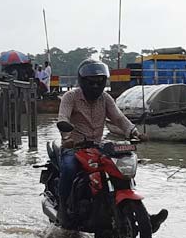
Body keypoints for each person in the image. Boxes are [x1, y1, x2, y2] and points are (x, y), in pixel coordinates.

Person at [56, 59, 144, 227]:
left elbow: (118, 117)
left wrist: (134, 132)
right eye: (92, 82)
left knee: (118, 168)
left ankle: (138, 213)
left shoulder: (105, 98)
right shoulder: (70, 97)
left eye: (99, 82)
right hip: (74, 148)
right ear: (83, 81)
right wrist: (67, 138)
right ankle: (62, 208)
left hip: (97, 146)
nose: (96, 86)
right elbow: (63, 118)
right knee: (69, 168)